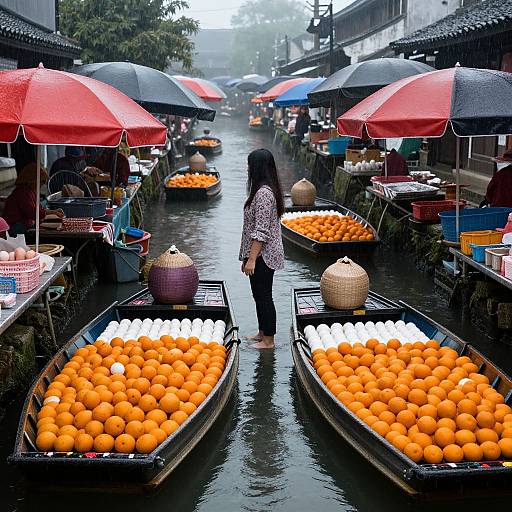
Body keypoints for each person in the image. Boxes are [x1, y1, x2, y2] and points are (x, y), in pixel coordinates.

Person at [239, 149, 285, 349]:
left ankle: (269, 341)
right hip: (257, 253)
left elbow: (261, 231)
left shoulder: (264, 193)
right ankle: (262, 332)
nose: (247, 168)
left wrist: (252, 259)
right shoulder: (260, 191)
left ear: (257, 167)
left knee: (264, 295)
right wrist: (247, 257)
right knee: (258, 293)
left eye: (249, 164)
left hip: (264, 255)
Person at [3, 163, 64, 235]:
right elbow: (33, 213)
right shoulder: (23, 192)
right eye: (42, 181)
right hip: (14, 227)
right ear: (33, 180)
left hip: (23, 223)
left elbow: (38, 209)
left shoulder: (29, 191)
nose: (43, 184)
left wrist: (53, 211)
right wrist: (52, 212)